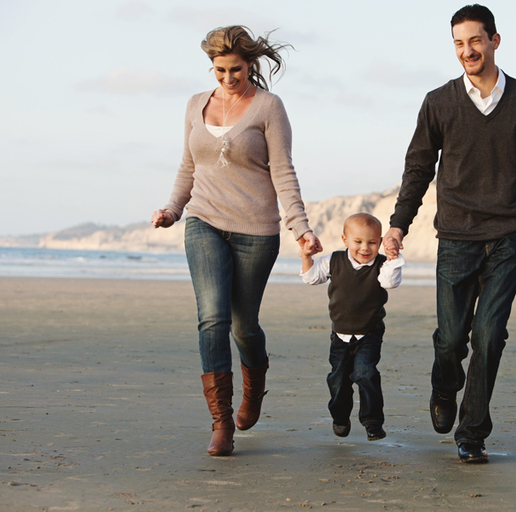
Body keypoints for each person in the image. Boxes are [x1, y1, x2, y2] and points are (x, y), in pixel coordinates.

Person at [383, 4, 516, 463]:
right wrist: (399, 223)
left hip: (510, 233)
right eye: (459, 43)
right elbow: (418, 168)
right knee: (451, 339)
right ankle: (444, 386)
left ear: (494, 41)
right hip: (456, 234)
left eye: (475, 41)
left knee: (489, 333)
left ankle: (472, 433)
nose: (467, 50)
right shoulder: (439, 102)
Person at [152, 26, 322, 457]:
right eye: (219, 70)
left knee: (244, 326)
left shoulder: (268, 106)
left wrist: (300, 228)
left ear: (250, 65)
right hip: (204, 221)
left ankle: (254, 386)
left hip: (256, 231)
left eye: (235, 70)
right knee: (213, 318)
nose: (228, 78)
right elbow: (188, 166)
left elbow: (283, 170)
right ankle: (221, 422)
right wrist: (173, 209)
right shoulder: (195, 104)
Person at [301, 213, 405, 441]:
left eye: (372, 242)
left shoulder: (382, 265)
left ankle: (372, 421)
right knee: (338, 379)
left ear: (380, 242)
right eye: (358, 241)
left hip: (369, 333)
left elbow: (390, 282)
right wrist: (306, 257)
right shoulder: (334, 260)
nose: (365, 248)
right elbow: (311, 278)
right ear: (345, 239)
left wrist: (392, 258)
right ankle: (340, 417)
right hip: (340, 335)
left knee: (365, 373)